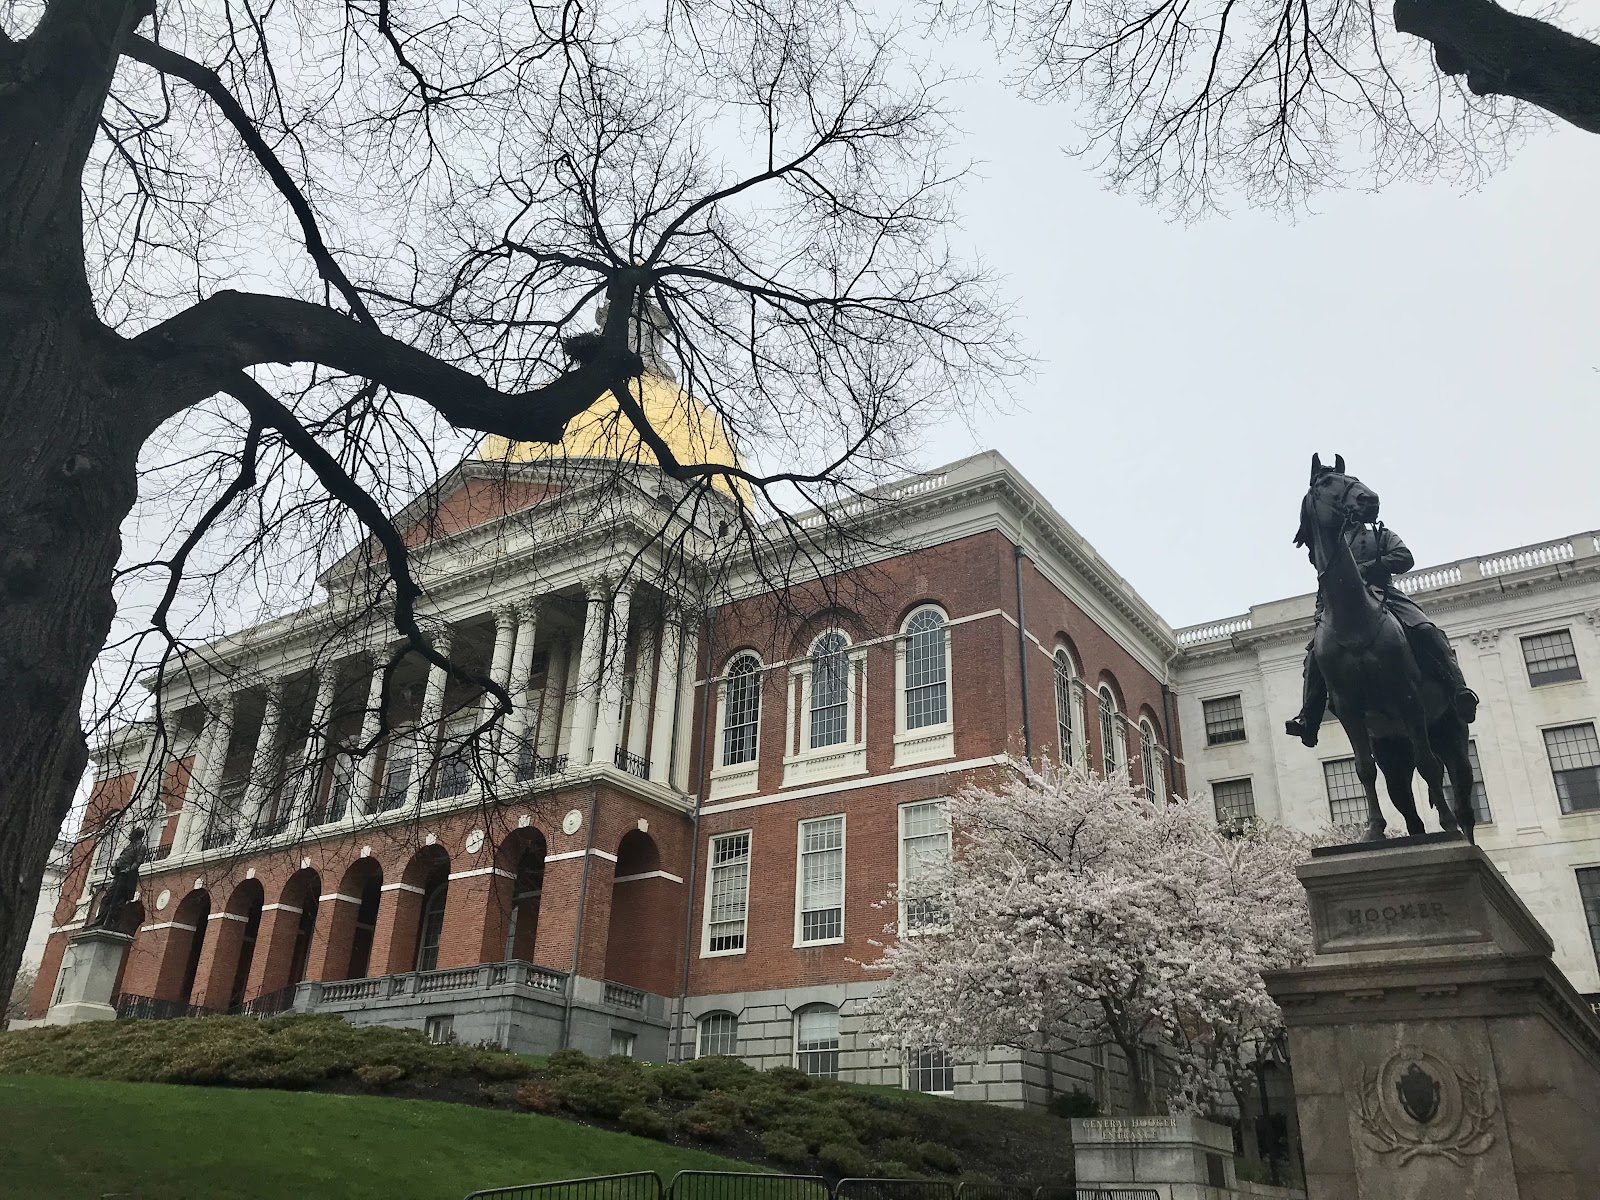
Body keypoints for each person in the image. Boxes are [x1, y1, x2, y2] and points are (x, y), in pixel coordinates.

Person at [1285, 512, 1478, 747]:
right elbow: (1324, 585)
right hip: (1339, 607)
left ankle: (1459, 690)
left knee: (1427, 630)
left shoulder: (1380, 535)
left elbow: (1404, 558)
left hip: (1385, 596)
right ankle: (1309, 718)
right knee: (1315, 655)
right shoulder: (1330, 549)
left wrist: (1367, 568)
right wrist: (1320, 613)